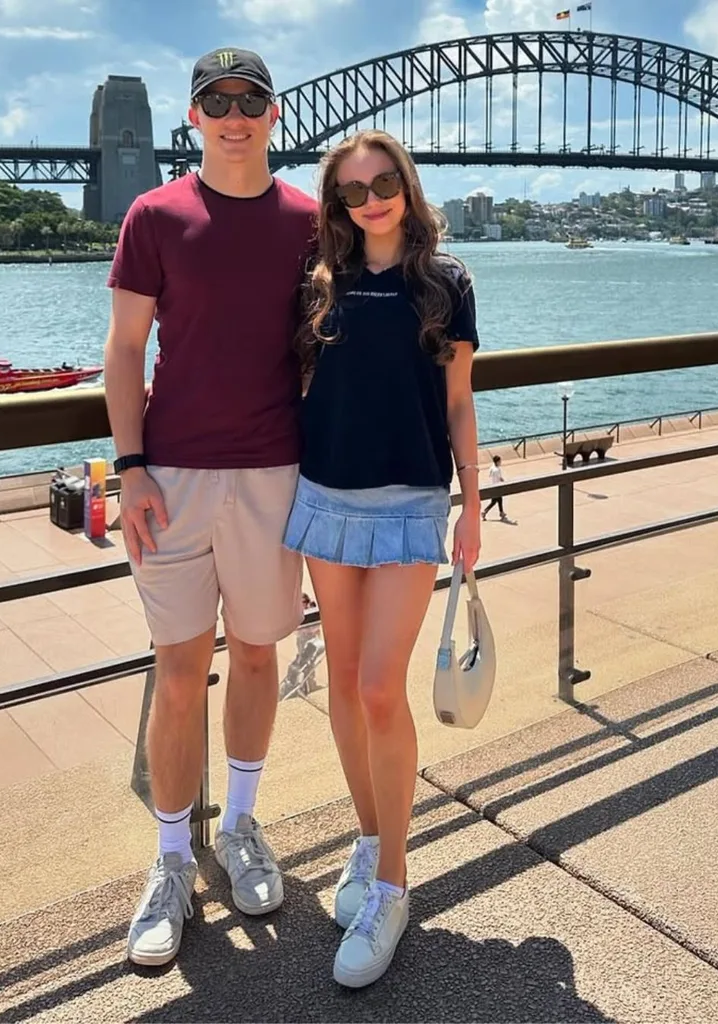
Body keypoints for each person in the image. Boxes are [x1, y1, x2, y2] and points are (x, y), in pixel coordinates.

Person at [103, 47, 317, 967]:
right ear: (192, 118)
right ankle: (170, 859)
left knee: (260, 656)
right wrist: (130, 467)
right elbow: (123, 351)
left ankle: (239, 825)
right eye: (215, 101)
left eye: (250, 99)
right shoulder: (154, 214)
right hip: (173, 478)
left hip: (277, 472)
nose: (234, 115)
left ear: (274, 114)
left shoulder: (312, 221)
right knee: (179, 669)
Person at [285, 129, 481, 987]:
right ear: (336, 204)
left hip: (408, 499)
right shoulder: (318, 283)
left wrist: (472, 505)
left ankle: (394, 884)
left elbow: (460, 402)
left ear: (406, 184)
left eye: (382, 183)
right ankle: (370, 842)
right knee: (339, 684)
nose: (370, 200)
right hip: (324, 495)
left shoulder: (444, 283)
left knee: (375, 685)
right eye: (352, 191)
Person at [481, 454, 507, 521]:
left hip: (492, 486)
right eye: (500, 461)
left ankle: (501, 513)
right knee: (495, 501)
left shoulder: (492, 468)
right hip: (497, 487)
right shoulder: (497, 470)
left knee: (498, 500)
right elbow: (500, 478)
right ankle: (485, 512)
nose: (500, 462)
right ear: (497, 462)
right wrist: (504, 481)